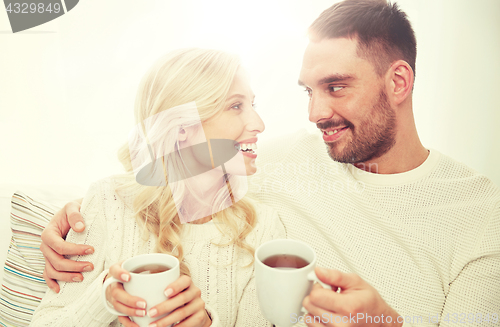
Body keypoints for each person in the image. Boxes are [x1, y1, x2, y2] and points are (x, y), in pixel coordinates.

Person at [40, 0, 500, 326]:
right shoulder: (283, 160)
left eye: (336, 87)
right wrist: (73, 218)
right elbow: (170, 169)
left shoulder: (481, 216)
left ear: (398, 82)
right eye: (308, 91)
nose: (315, 114)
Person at [31, 48, 286, 327]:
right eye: (236, 106)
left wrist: (206, 325)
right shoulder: (107, 202)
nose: (259, 124)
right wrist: (106, 295)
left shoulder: (263, 227)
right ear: (180, 127)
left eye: (253, 105)